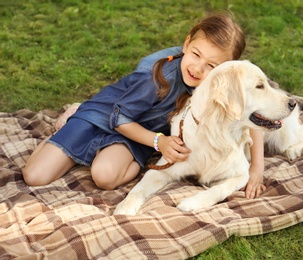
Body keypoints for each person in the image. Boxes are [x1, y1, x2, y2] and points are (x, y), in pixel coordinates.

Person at [22, 11, 266, 199]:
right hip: (106, 116)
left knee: (104, 177)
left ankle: (96, 153)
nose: (197, 68)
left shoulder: (222, 82)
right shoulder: (160, 76)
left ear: (226, 68)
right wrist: (161, 142)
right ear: (187, 43)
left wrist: (257, 168)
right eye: (196, 54)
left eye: (212, 66)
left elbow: (251, 114)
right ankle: (66, 127)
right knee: (35, 177)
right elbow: (119, 119)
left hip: (135, 135)